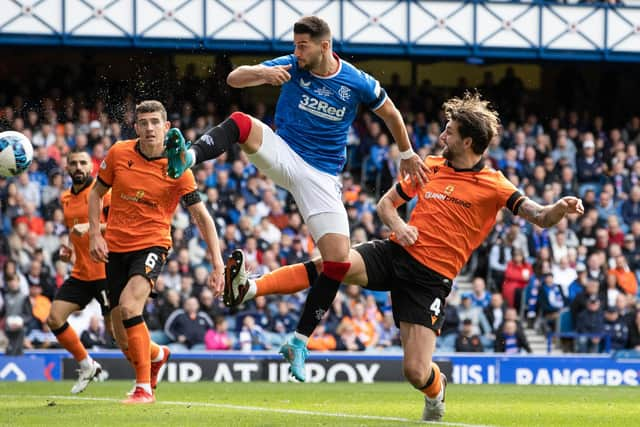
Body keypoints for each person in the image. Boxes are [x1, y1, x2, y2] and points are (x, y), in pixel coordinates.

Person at [223, 93, 584, 421]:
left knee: (415, 371)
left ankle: (436, 388)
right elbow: (386, 205)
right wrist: (399, 223)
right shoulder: (429, 166)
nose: (443, 136)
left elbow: (538, 216)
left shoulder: (495, 184)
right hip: (395, 252)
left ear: (468, 142)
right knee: (334, 264)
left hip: (431, 279)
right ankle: (250, 288)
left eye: (450, 131)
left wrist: (559, 207)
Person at [163, 15, 427, 368]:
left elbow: (391, 113)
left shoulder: (357, 81)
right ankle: (188, 157)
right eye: (295, 45)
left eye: (303, 46)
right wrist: (263, 74)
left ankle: (298, 341)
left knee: (337, 260)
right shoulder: (289, 64)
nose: (296, 51)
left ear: (325, 46)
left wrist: (407, 153)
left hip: (322, 176)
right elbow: (233, 77)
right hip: (284, 153)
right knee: (242, 122)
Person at [88, 100, 225, 404]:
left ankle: (142, 388)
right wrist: (95, 234)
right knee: (119, 335)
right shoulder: (119, 153)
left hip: (152, 244)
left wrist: (217, 263)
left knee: (129, 307)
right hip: (115, 247)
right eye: (143, 122)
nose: (149, 128)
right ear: (135, 127)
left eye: (155, 122)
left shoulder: (179, 169)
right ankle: (157, 354)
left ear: (166, 127)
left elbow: (202, 217)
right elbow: (96, 194)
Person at [45, 150, 113, 394]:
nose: (78, 167)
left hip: (106, 271)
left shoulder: (102, 193)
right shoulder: (65, 198)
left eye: (83, 163)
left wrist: (92, 226)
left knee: (118, 335)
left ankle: (149, 370)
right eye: (73, 163)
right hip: (82, 272)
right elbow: (74, 232)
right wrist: (68, 249)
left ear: (91, 167)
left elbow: (120, 225)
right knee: (54, 318)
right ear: (67, 168)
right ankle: (87, 365)